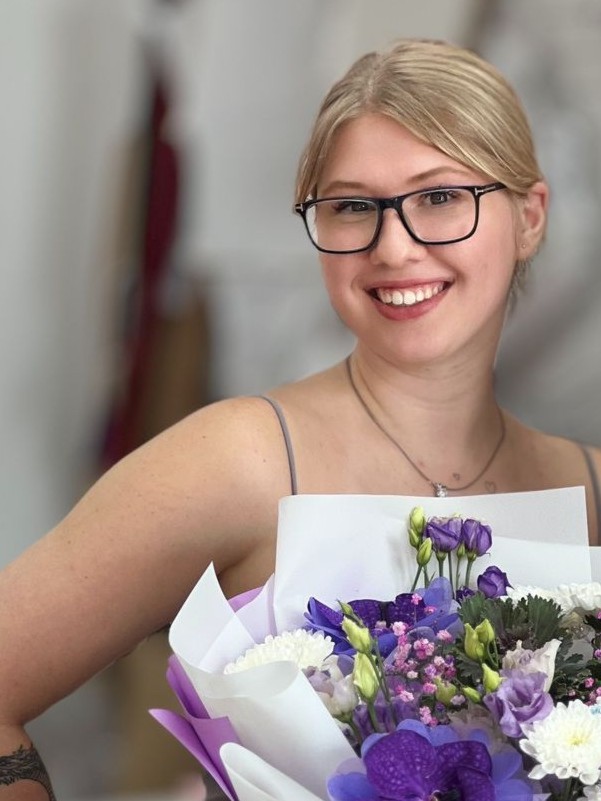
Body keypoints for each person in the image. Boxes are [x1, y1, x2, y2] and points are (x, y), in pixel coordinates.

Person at [1, 38, 600, 800]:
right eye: (351, 206)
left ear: (529, 217)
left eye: (440, 197)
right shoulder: (239, 460)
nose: (394, 247)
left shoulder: (590, 488)